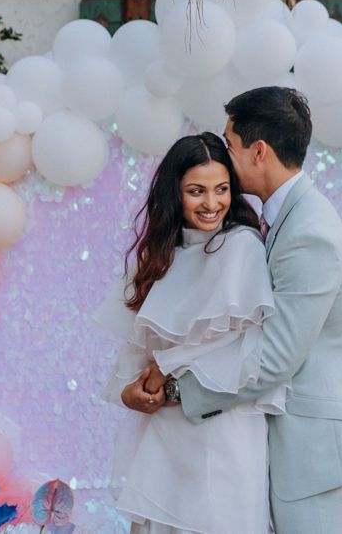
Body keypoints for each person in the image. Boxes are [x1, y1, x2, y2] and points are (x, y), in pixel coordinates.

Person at [125, 86, 342, 534]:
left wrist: (176, 391)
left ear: (259, 151)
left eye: (230, 142)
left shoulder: (308, 232)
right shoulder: (285, 218)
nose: (223, 151)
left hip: (307, 444)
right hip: (275, 433)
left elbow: (276, 357)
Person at [96, 132, 287, 534]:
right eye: (196, 191)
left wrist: (165, 368)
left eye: (221, 189)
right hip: (164, 428)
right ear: (174, 193)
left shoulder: (242, 247)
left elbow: (238, 342)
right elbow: (139, 343)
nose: (212, 203)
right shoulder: (160, 256)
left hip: (222, 425)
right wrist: (129, 391)